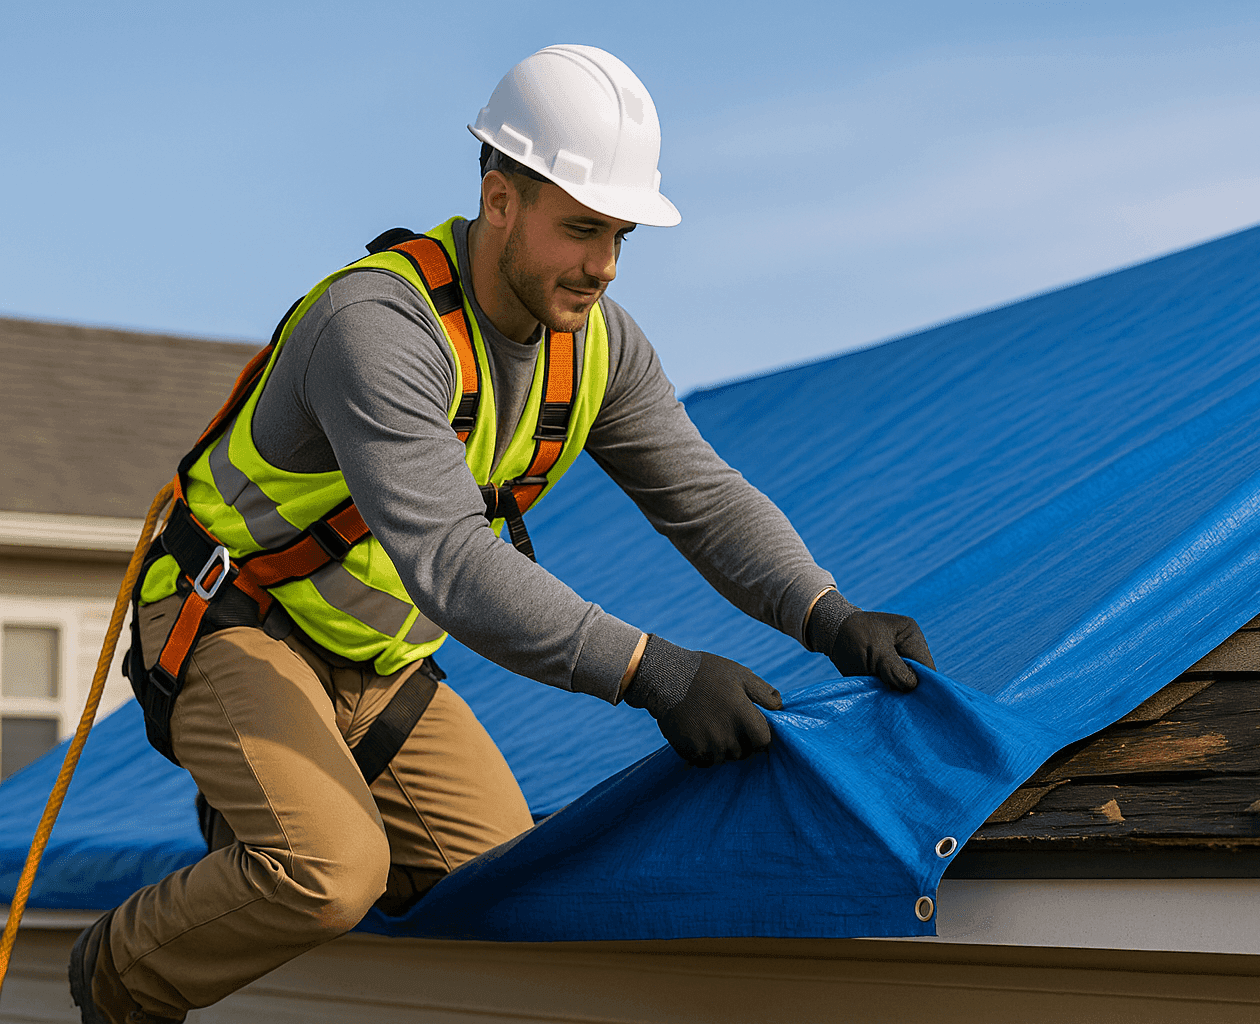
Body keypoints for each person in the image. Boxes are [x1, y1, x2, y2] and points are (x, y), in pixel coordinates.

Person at [69, 44, 935, 1024]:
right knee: (331, 867)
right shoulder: (381, 325)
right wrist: (654, 671)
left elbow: (702, 495)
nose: (603, 265)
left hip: (382, 663)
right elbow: (447, 557)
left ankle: (267, 809)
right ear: (499, 198)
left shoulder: (599, 345)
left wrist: (827, 613)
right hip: (238, 623)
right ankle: (118, 978)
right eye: (579, 229)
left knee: (504, 884)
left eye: (619, 234)